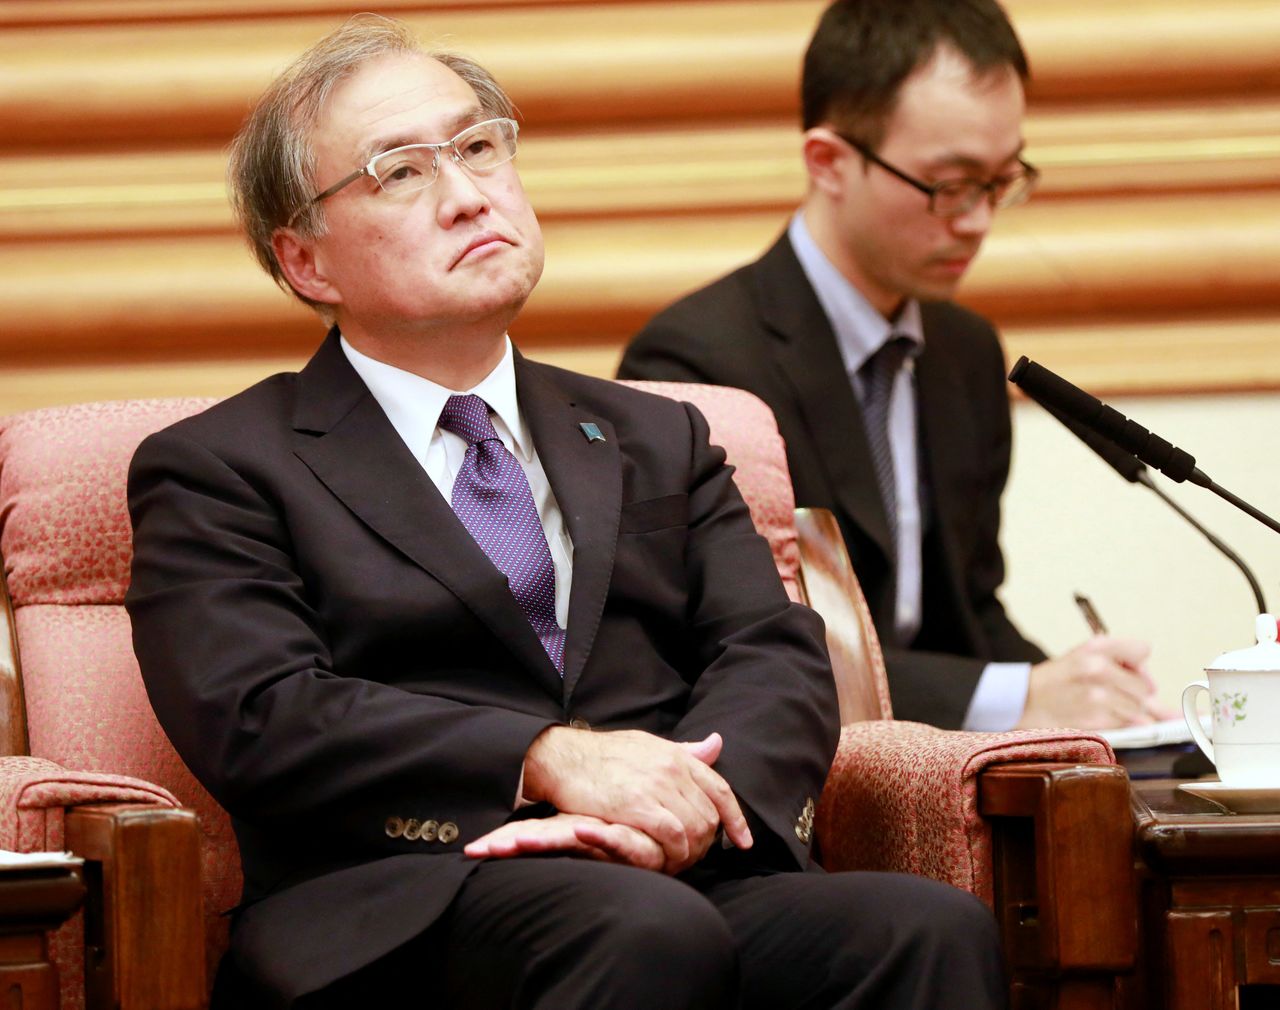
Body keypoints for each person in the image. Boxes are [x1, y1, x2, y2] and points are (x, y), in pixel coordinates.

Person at [124, 15, 1005, 1010]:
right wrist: (545, 761)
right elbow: (263, 712)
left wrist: (683, 812)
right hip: (407, 898)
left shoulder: (657, 433)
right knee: (635, 928)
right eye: (401, 173)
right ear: (306, 263)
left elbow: (770, 653)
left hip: (673, 870)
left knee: (921, 928)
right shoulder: (221, 466)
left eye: (476, 147)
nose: (466, 196)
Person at [620, 0, 1169, 732]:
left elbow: (966, 613)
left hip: (938, 773)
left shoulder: (966, 350)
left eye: (1002, 181)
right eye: (949, 184)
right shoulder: (698, 363)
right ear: (829, 162)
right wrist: (1014, 697)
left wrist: (1086, 696)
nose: (977, 219)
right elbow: (738, 649)